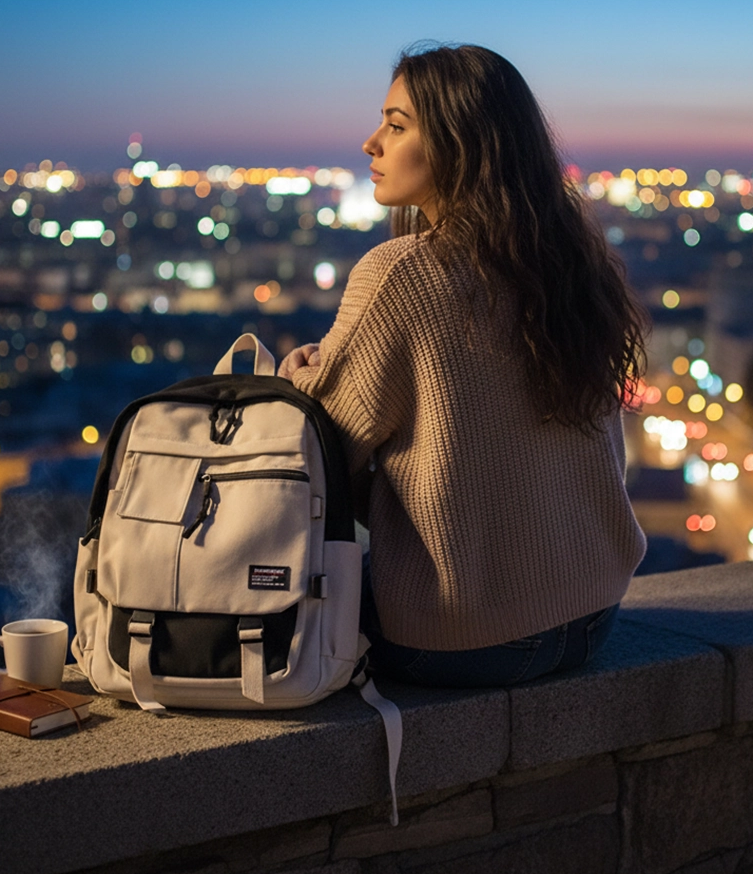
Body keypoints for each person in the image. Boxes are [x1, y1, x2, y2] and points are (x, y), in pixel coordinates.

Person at [278, 43, 648, 689]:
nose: (372, 143)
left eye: (396, 126)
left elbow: (321, 457)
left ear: (462, 143)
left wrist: (298, 380)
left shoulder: (400, 274)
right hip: (593, 616)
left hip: (461, 637)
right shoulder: (574, 266)